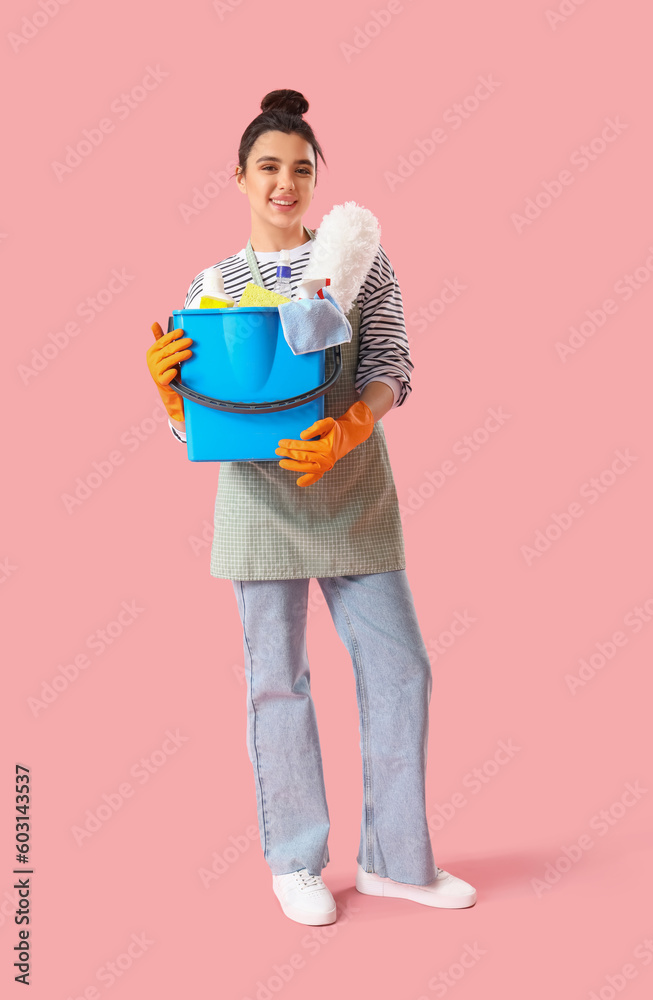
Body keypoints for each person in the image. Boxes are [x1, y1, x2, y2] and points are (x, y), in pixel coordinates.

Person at [147, 89, 476, 925]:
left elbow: (394, 363)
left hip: (354, 493)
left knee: (401, 668)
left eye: (300, 168)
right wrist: (167, 392)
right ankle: (295, 861)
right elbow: (208, 420)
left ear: (315, 179)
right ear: (240, 178)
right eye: (269, 167)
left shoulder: (357, 260)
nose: (285, 183)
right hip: (258, 507)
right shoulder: (213, 284)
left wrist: (348, 428)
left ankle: (394, 861)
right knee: (276, 684)